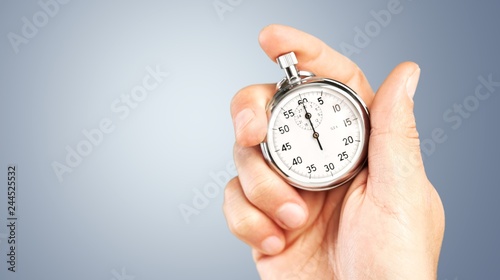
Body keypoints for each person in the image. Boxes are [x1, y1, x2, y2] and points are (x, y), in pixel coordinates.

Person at [223, 24, 445, 279]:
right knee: (250, 137)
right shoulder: (278, 124)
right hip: (308, 218)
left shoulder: (341, 105)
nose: (315, 134)